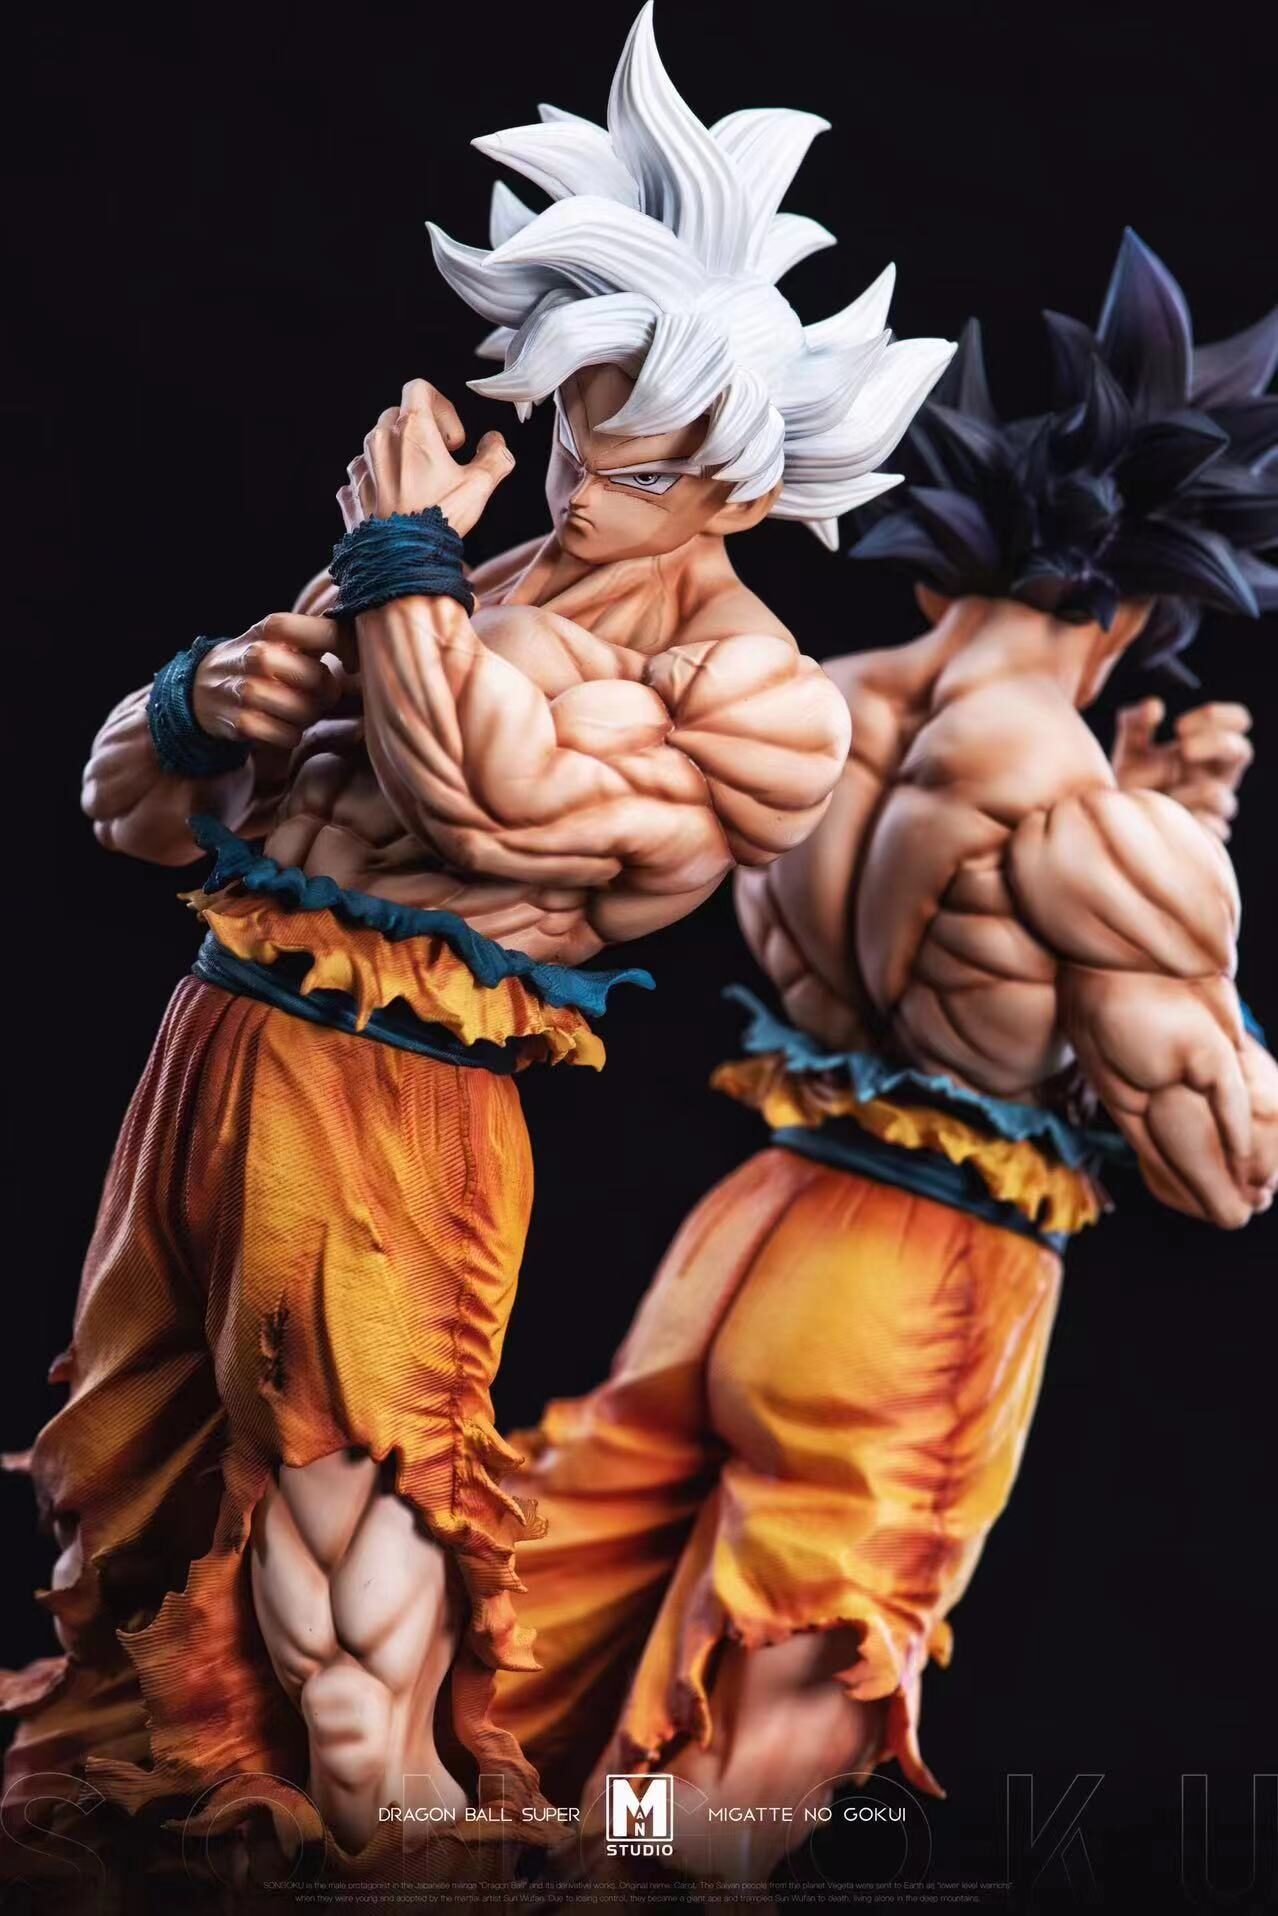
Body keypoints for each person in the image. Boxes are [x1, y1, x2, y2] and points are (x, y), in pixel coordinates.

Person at [0, 2, 953, 1882]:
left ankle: (426, 1866)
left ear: (747, 486)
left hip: (396, 1110)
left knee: (347, 1592)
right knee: (131, 1534)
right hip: (211, 1052)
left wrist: (395, 573)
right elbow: (136, 814)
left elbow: (484, 809)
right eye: (577, 430)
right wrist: (200, 699)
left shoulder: (757, 698)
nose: (585, 485)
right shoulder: (463, 569)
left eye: (645, 465)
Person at [490, 231, 1278, 1885]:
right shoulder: (1093, 823)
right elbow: (1221, 1174)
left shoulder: (809, 711)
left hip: (741, 1237)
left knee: (559, 1629)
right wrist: (1191, 873)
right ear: (1137, 612)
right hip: (919, 1281)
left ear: (937, 575)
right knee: (795, 1679)